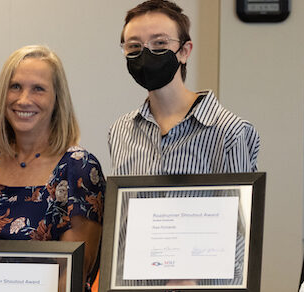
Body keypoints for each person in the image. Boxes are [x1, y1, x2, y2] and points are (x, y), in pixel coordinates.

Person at [107, 0, 261, 288]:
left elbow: (239, 234)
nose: (146, 55)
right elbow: (122, 227)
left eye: (160, 43)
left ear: (185, 51)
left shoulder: (229, 132)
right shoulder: (121, 131)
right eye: (134, 47)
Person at [0, 45, 105, 292]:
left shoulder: (78, 167)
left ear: (57, 99)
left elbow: (74, 273)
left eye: (38, 89)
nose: (23, 99)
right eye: (15, 87)